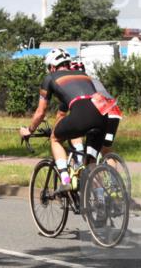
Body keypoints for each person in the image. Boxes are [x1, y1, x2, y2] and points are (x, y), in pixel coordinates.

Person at [19, 48, 111, 191]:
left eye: (49, 68)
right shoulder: (83, 75)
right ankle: (100, 201)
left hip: (82, 114)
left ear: (52, 67)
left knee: (55, 139)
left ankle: (65, 179)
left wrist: (29, 130)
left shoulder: (50, 78)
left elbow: (41, 112)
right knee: (90, 165)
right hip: (103, 116)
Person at [69, 59, 123, 158]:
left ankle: (80, 158)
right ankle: (113, 173)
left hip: (100, 111)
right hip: (114, 113)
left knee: (74, 132)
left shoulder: (74, 84)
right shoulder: (94, 80)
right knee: (106, 149)